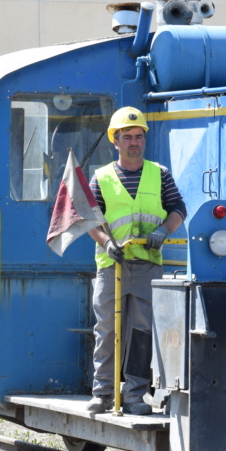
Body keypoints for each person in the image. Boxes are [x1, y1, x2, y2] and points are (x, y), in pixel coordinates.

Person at [86, 107, 186, 415]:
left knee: (142, 332)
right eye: (127, 137)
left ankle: (135, 394)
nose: (134, 142)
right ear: (115, 141)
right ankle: (102, 393)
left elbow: (178, 208)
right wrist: (105, 242)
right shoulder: (100, 177)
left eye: (139, 136)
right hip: (111, 266)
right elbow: (89, 219)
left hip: (147, 264)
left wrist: (163, 231)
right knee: (106, 330)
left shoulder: (160, 174)